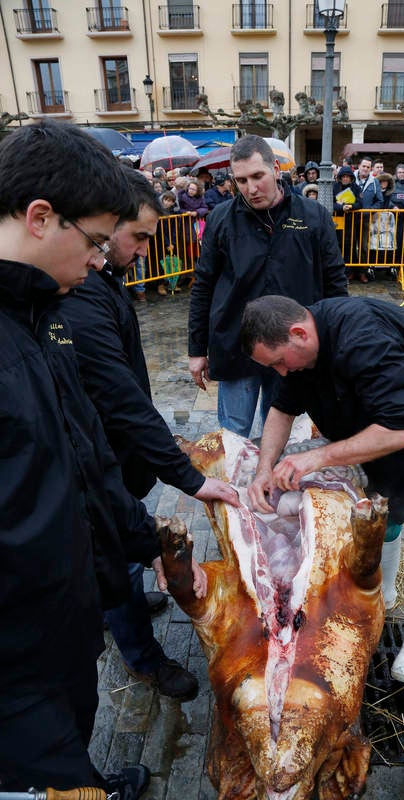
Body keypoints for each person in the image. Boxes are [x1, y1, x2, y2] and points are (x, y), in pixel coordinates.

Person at [0, 120, 177, 795]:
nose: (102, 260)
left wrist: (141, 540)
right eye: (97, 241)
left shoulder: (41, 315)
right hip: (19, 666)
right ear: (42, 218)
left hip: (67, 628)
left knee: (77, 733)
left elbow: (87, 454)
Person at [241, 294, 404, 684]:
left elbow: (403, 431)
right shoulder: (299, 354)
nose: (281, 373)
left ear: (299, 333)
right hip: (379, 430)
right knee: (380, 516)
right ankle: (382, 597)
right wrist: (263, 469)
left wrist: (316, 458)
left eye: (278, 363)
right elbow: (282, 409)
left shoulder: (363, 338)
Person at [62, 168, 238, 700]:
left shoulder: (104, 278)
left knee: (127, 546)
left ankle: (132, 597)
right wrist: (187, 476)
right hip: (97, 462)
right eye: (138, 236)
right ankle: (142, 656)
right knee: (111, 549)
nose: (144, 251)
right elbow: (120, 399)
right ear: (105, 225)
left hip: (119, 453)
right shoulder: (78, 295)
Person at [188, 134, 348, 438]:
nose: (251, 188)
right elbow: (203, 285)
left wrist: (336, 344)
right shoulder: (221, 219)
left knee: (283, 436)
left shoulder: (313, 216)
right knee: (233, 437)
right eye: (242, 180)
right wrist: (196, 349)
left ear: (276, 168)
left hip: (292, 350)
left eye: (258, 176)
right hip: (235, 346)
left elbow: (335, 282)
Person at [332, 165, 362, 279]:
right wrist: (341, 208)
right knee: (337, 246)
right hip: (338, 222)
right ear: (340, 177)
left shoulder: (356, 188)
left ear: (351, 178)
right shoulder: (334, 187)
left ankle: (350, 272)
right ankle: (339, 271)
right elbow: (331, 203)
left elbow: (360, 203)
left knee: (350, 246)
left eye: (347, 177)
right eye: (343, 177)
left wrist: (351, 206)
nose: (345, 179)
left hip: (351, 222)